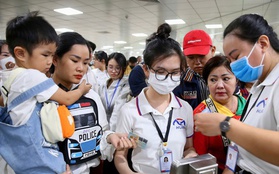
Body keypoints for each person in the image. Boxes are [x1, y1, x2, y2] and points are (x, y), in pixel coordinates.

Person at [0, 11, 92, 174]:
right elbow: (67, 98)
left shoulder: (11, 76)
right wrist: (82, 89)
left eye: (52, 55)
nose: (50, 61)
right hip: (36, 153)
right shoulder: (31, 75)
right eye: (45, 55)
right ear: (21, 53)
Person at [194, 14, 279, 173]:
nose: (233, 66)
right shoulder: (259, 85)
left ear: (262, 43)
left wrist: (225, 125)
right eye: (229, 60)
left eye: (236, 56)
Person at [114, 23, 197, 174]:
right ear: (146, 70)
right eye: (161, 71)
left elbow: (188, 147)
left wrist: (191, 156)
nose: (168, 78)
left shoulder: (184, 109)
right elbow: (120, 155)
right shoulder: (129, 110)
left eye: (175, 72)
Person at [50, 31, 135, 174]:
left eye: (85, 63)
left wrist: (109, 137)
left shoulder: (90, 96)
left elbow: (100, 132)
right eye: (75, 60)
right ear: (55, 59)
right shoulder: (41, 96)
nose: (81, 68)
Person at [193, 56, 246, 173]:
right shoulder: (202, 114)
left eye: (226, 79)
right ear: (206, 83)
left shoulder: (247, 105)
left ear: (236, 80)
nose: (220, 85)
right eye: (213, 80)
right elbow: (200, 159)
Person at [98, 52, 130, 174]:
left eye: (118, 68)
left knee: (119, 162)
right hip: (105, 129)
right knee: (106, 163)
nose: (114, 71)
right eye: (111, 67)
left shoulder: (127, 85)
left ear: (123, 68)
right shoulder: (103, 84)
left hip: (122, 130)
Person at [173, 30, 216, 109]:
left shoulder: (225, 76)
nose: (197, 62)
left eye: (201, 56)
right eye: (191, 57)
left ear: (212, 50)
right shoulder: (180, 82)